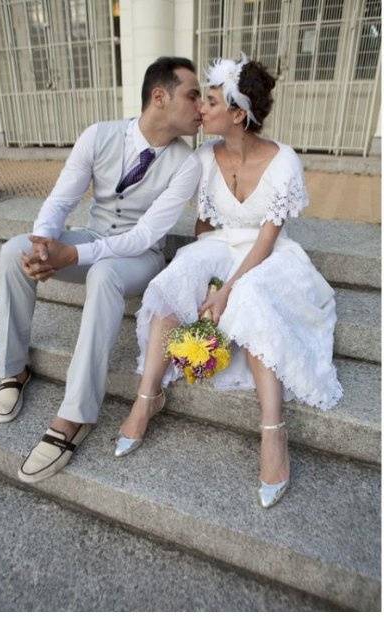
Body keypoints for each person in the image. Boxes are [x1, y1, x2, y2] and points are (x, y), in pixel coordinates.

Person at [120, 54, 342, 509]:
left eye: (213, 100)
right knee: (177, 276)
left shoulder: (284, 162)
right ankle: (146, 399)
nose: (201, 107)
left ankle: (273, 432)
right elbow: (204, 227)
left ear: (238, 114)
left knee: (253, 296)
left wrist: (225, 290)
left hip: (268, 256)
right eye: (202, 98)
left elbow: (265, 241)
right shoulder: (203, 157)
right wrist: (205, 275)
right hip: (223, 245)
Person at [0, 57, 204, 484]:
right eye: (193, 94)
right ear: (160, 97)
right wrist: (43, 243)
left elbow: (145, 235)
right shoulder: (98, 135)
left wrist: (74, 257)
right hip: (91, 234)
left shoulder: (188, 163)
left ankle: (75, 415)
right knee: (14, 251)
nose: (201, 106)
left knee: (104, 273)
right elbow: (60, 200)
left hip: (140, 258)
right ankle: (14, 368)